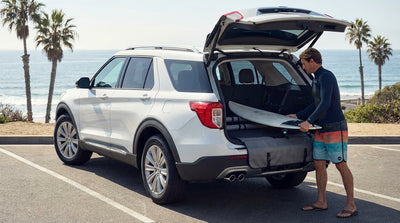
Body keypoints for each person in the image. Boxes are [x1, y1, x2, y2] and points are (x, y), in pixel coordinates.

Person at [287, 48, 358, 218]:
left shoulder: (326, 76)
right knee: (319, 163)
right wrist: (298, 115)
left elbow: (325, 103)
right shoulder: (316, 78)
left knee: (341, 164)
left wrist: (308, 121)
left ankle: (351, 205)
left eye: (304, 64)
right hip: (320, 128)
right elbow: (315, 104)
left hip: (335, 127)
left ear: (312, 61)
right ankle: (321, 201)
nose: (303, 68)